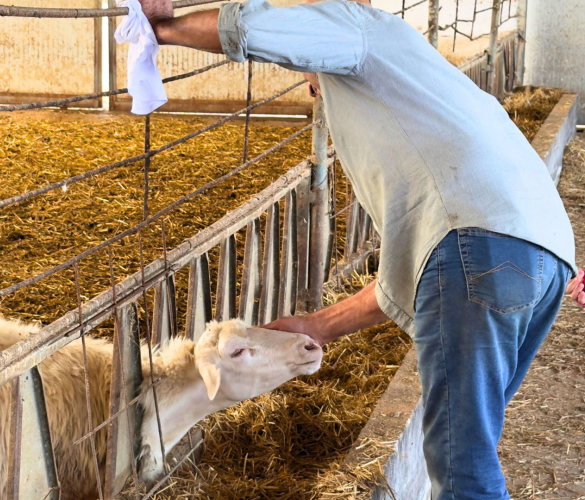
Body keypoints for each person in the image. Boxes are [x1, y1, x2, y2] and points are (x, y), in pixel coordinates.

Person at [137, 0, 585, 498]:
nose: (312, 92)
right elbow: (424, 266)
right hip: (542, 256)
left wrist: (162, 30)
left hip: (482, 251)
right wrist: (317, 326)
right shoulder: (418, 88)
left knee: (463, 468)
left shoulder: (356, 28)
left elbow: (251, 25)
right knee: (470, 447)